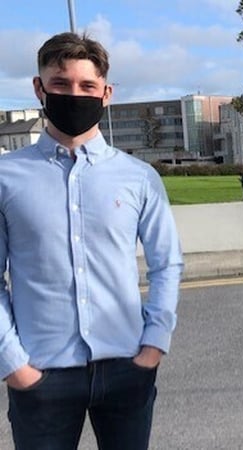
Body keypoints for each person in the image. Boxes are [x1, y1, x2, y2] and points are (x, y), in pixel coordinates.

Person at [0, 32, 183, 449]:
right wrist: (13, 364)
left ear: (106, 93)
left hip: (126, 367)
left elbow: (167, 263)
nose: (74, 95)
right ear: (39, 87)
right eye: (61, 84)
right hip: (40, 374)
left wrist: (153, 347)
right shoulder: (6, 177)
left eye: (87, 86)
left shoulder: (139, 178)